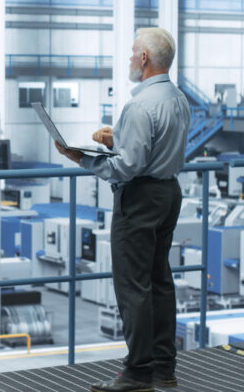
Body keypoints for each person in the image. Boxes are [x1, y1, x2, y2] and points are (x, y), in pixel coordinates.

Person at [55, 27, 190, 392]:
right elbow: (158, 145)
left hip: (140, 198)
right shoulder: (178, 99)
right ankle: (164, 369)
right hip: (169, 194)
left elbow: (125, 168)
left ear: (144, 59)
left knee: (132, 286)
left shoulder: (139, 104)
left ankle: (137, 372)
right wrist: (118, 138)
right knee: (159, 281)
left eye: (133, 52)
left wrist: (80, 157)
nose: (130, 57)